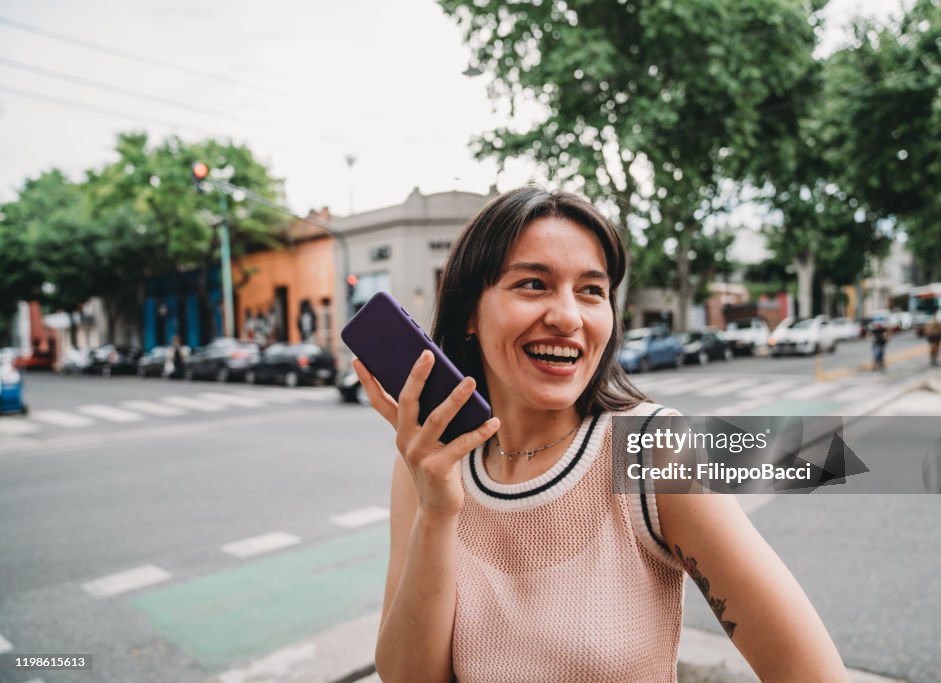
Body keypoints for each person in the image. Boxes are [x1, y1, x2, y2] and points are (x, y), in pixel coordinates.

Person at [354, 186, 848, 682]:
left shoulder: (653, 449)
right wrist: (438, 513)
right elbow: (409, 677)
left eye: (591, 290)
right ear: (468, 314)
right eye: (532, 284)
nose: (568, 317)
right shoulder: (428, 461)